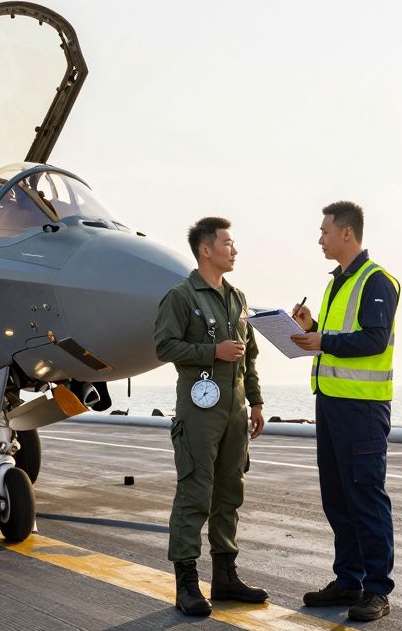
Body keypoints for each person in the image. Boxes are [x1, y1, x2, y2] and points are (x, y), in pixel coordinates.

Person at [290, 201, 399, 622]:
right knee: (337, 497)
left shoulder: (377, 281)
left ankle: (377, 590)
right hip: (332, 403)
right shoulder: (338, 282)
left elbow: (373, 340)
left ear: (347, 234)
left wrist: (323, 341)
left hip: (362, 409)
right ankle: (348, 580)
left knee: (366, 496)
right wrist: (312, 327)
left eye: (324, 231)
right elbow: (341, 336)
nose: (320, 238)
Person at [153, 216, 268, 617]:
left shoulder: (237, 297)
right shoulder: (181, 296)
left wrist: (255, 402)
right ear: (206, 249)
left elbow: (249, 355)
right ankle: (186, 582)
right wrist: (210, 353)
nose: (234, 249)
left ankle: (224, 576)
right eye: (228, 243)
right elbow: (164, 346)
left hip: (234, 410)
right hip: (200, 411)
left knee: (229, 492)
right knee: (194, 492)